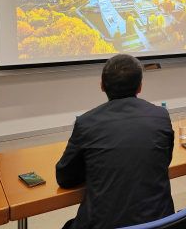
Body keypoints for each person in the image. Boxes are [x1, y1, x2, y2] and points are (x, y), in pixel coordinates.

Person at [56, 54, 175, 229]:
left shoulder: (86, 123)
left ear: (102, 86)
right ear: (140, 86)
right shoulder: (161, 115)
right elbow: (164, 160)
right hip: (160, 223)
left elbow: (65, 178)